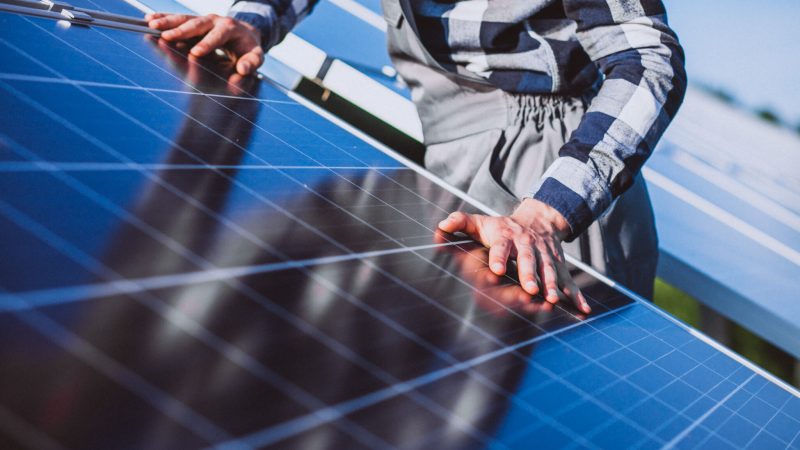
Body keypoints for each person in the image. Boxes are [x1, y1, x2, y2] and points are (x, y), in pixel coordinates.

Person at [146, 0, 686, 313]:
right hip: (452, 162)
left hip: (552, 177)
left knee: (566, 409)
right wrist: (255, 19)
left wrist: (549, 211)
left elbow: (648, 60)